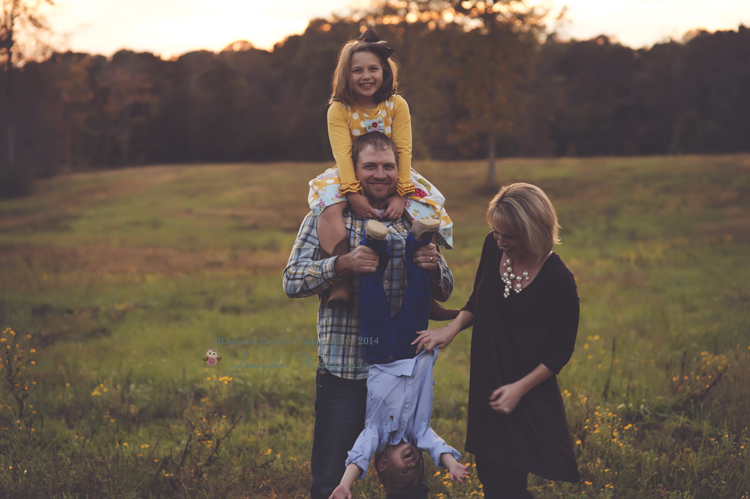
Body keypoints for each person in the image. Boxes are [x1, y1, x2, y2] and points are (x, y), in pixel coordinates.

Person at [284, 132, 453, 499]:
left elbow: (444, 288)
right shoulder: (326, 216)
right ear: (354, 171)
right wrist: (341, 263)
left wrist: (433, 265)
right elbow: (291, 281)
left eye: (388, 166)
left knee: (406, 479)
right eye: (370, 166)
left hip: (401, 376)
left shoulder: (416, 215)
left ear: (400, 169)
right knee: (331, 479)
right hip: (345, 372)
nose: (380, 174)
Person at [413, 183, 581, 498]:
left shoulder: (559, 280)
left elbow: (562, 350)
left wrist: (518, 389)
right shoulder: (493, 246)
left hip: (525, 390)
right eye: (496, 231)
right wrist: (452, 328)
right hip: (488, 380)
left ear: (534, 230)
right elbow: (479, 298)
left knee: (508, 487)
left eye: (509, 235)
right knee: (493, 480)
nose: (500, 241)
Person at [307, 27, 453, 308]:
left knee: (427, 207)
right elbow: (342, 154)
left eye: (373, 69)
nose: (366, 76)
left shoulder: (396, 104)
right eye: (357, 70)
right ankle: (340, 284)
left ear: (385, 72)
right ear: (345, 76)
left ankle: (425, 286)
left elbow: (404, 150)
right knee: (327, 204)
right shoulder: (338, 109)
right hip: (350, 171)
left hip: (394, 171)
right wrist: (351, 194)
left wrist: (402, 193)